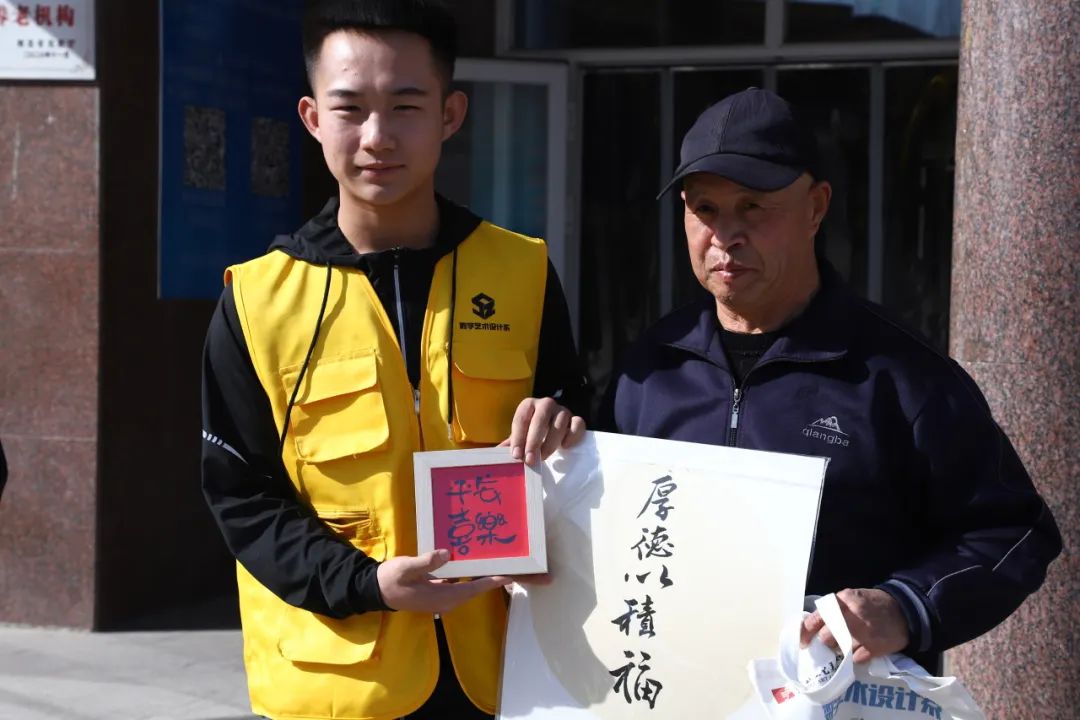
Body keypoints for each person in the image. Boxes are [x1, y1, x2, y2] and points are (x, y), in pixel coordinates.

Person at [200, 2, 589, 718]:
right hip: (338, 686)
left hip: (505, 675)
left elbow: (580, 438)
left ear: (450, 114)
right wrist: (367, 584)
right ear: (312, 118)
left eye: (406, 106)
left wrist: (565, 421)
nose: (377, 137)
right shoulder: (255, 300)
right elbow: (242, 497)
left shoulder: (522, 271)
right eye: (350, 109)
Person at [602, 87, 1061, 674]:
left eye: (752, 206)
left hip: (843, 698)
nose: (725, 235)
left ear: (816, 208)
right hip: (676, 690)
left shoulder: (899, 373)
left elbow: (1013, 530)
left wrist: (905, 606)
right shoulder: (650, 368)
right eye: (705, 209)